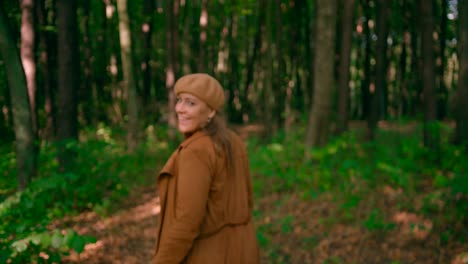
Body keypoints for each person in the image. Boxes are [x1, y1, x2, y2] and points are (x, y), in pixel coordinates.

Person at [153, 73, 260, 264]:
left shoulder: (195, 151)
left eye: (191, 103)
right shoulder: (233, 140)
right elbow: (248, 201)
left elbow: (186, 223)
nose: (180, 109)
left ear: (211, 112)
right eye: (179, 101)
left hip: (210, 254)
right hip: (244, 250)